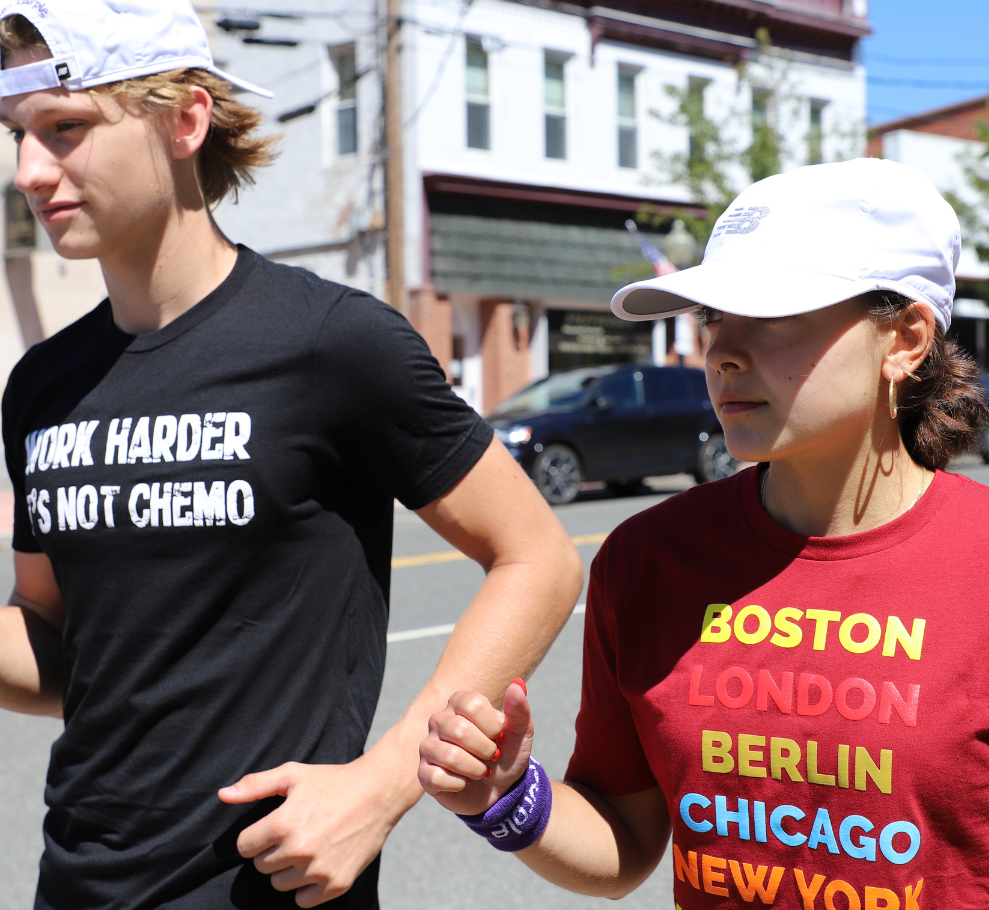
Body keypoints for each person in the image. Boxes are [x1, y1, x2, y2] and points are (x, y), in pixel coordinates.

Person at [0, 0, 583, 910]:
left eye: (67, 129)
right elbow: (63, 651)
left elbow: (539, 559)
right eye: (19, 135)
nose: (28, 171)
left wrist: (384, 787)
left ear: (183, 121)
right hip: (76, 883)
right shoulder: (41, 387)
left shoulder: (332, 343)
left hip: (274, 892)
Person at [418, 158, 989, 908]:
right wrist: (507, 799)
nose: (720, 350)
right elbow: (625, 836)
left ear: (906, 338)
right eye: (713, 316)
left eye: (775, 313)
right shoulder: (647, 560)